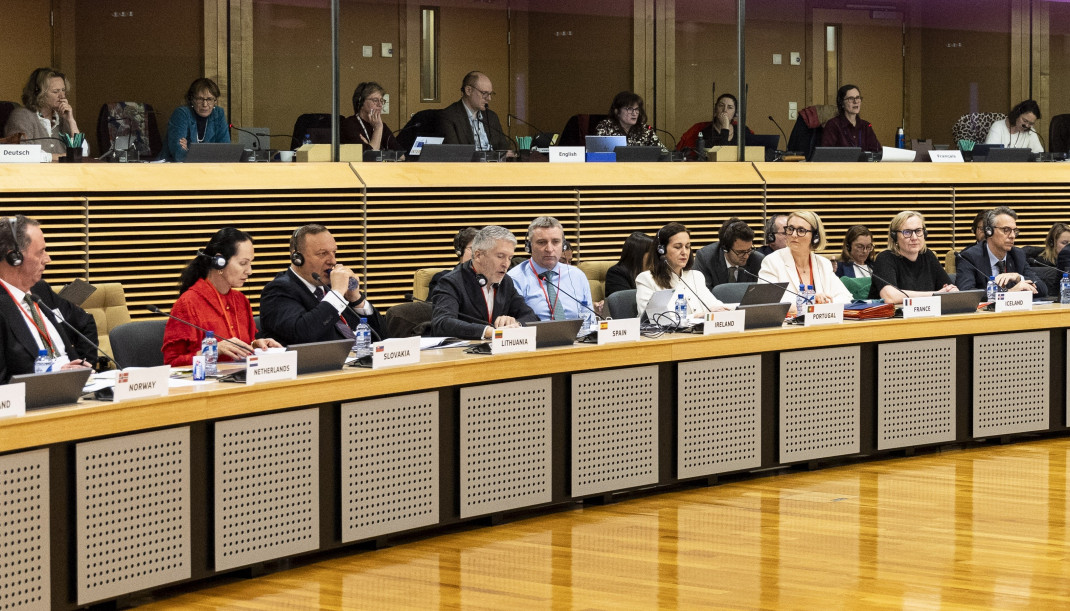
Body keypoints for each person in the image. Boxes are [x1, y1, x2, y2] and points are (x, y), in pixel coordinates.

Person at [161, 229, 282, 366]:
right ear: (219, 262)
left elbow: (241, 349)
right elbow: (171, 363)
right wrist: (213, 350)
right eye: (243, 263)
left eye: (250, 263)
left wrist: (255, 346)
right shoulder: (188, 303)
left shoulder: (241, 300)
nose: (249, 271)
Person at [0, 215, 92, 383]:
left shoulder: (40, 290)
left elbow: (86, 324)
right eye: (41, 252)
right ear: (14, 258)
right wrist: (52, 375)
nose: (48, 259)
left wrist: (81, 370)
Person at [259, 224, 385, 345]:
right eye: (322, 254)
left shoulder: (330, 288)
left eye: (334, 253)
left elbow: (382, 337)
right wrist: (337, 294)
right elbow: (303, 334)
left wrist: (356, 300)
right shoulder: (278, 290)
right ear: (297, 258)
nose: (333, 261)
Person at [430, 225, 537, 339]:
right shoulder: (451, 282)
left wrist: (515, 324)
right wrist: (487, 332)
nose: (506, 264)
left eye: (510, 258)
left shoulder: (505, 281)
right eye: (500, 256)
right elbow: (442, 323)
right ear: (478, 255)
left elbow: (531, 317)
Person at [758, 210, 853, 313]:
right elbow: (770, 301)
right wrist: (812, 301)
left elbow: (846, 298)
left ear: (815, 237)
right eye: (790, 229)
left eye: (801, 230)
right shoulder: (772, 262)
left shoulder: (823, 264)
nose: (794, 234)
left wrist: (824, 303)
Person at [508, 217, 596, 326]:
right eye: (541, 242)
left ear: (563, 246)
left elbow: (590, 322)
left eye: (555, 242)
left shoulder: (577, 276)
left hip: (579, 341)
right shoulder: (515, 279)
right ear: (529, 247)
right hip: (535, 340)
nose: (549, 249)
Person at [635, 222, 725, 316]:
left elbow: (714, 304)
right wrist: (696, 316)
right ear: (662, 250)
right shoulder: (647, 279)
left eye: (687, 246)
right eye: (678, 247)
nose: (684, 252)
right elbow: (653, 317)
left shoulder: (696, 276)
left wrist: (729, 309)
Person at [869, 212, 958, 304]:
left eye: (918, 231)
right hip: (889, 317)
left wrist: (951, 291)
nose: (914, 237)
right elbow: (890, 297)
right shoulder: (885, 258)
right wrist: (935, 295)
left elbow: (948, 290)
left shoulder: (928, 256)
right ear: (895, 236)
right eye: (907, 232)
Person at [955, 206, 1045, 296]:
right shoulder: (969, 257)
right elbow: (966, 292)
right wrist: (1007, 293)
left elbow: (1042, 289)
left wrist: (1019, 278)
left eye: (1015, 231)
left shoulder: (1017, 255)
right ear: (989, 232)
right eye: (1006, 230)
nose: (1012, 236)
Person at [4, 67, 89, 159]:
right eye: (55, 91)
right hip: (34, 172)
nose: (62, 96)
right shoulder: (22, 115)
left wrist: (71, 121)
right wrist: (57, 156)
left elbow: (84, 153)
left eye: (63, 90)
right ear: (39, 93)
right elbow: (20, 152)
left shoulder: (62, 118)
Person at [439, 71, 513, 154]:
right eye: (484, 93)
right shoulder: (449, 116)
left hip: (494, 166)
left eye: (490, 94)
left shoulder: (491, 116)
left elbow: (503, 148)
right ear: (468, 90)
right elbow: (456, 153)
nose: (489, 98)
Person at [162, 77, 230, 162]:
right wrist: (212, 153)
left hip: (209, 170)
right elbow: (178, 154)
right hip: (173, 169)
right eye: (200, 99)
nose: (205, 104)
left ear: (215, 101)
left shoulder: (218, 114)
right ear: (192, 99)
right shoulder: (181, 114)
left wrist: (189, 150)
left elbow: (225, 151)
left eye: (209, 99)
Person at [694, 217, 765, 290]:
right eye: (740, 252)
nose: (746, 256)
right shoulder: (705, 258)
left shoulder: (758, 261)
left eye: (749, 250)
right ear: (725, 248)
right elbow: (702, 294)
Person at [677, 93, 753, 151]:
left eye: (730, 107)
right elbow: (722, 153)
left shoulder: (743, 130)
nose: (725, 110)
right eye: (721, 106)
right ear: (715, 110)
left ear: (735, 113)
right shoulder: (706, 132)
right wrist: (725, 128)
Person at [595, 91, 667, 151]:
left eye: (637, 109)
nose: (634, 113)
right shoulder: (605, 127)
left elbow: (664, 152)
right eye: (629, 109)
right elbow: (596, 154)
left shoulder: (645, 130)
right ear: (617, 112)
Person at [341, 81, 401, 151]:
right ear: (361, 103)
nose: (380, 105)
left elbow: (401, 155)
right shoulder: (349, 125)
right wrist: (377, 129)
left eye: (381, 101)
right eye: (375, 100)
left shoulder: (381, 125)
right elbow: (369, 157)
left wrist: (376, 148)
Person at [821, 84, 881, 153]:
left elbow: (877, 152)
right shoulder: (833, 125)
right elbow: (826, 154)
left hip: (864, 163)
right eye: (851, 99)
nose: (856, 102)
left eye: (858, 98)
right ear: (842, 103)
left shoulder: (866, 126)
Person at [428, 227, 478, 298]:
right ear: (460, 251)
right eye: (472, 249)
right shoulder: (443, 279)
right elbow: (433, 307)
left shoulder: (492, 279)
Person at [605, 232, 654, 298]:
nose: (654, 257)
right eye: (651, 252)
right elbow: (624, 300)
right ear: (639, 254)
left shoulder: (653, 272)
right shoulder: (616, 273)